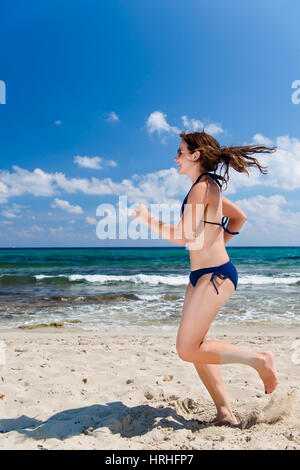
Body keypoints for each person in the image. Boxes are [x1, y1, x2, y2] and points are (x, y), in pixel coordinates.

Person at [131, 129, 278, 427]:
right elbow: (239, 218)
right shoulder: (207, 187)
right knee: (196, 345)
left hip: (217, 276)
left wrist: (147, 219)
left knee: (187, 349)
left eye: (180, 151)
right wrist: (217, 243)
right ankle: (224, 412)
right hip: (201, 275)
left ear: (195, 155)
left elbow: (183, 235)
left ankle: (259, 359)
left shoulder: (203, 186)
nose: (175, 158)